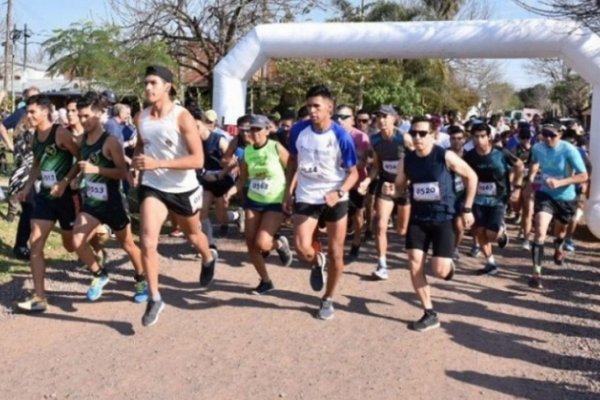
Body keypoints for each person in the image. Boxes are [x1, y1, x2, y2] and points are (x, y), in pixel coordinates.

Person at [132, 65, 217, 326]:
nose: (148, 88)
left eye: (153, 83)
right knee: (147, 241)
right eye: (146, 83)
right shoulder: (141, 117)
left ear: (167, 86)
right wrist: (137, 167)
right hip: (153, 186)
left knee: (193, 235)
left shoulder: (182, 117)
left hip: (182, 188)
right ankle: (155, 297)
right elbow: (141, 144)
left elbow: (198, 159)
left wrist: (158, 164)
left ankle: (208, 256)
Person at [395, 116, 477, 332]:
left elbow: (471, 176)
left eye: (423, 133)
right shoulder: (408, 160)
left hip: (443, 217)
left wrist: (467, 208)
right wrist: (392, 190)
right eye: (414, 133)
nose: (418, 137)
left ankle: (448, 265)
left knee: (439, 270)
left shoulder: (444, 155)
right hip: (418, 218)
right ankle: (429, 313)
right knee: (414, 262)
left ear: (432, 135)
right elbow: (399, 186)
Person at [284, 84, 358, 320]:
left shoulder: (341, 136)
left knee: (337, 252)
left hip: (334, 196)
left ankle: (328, 299)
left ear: (329, 107)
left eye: (317, 106)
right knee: (301, 247)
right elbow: (293, 162)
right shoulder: (297, 130)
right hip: (307, 194)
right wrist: (288, 190)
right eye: (309, 106)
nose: (312, 111)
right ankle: (317, 261)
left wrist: (339, 192)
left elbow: (354, 173)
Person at [72, 92, 147, 303]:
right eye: (80, 116)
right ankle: (99, 274)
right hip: (93, 203)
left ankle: (141, 279)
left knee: (128, 245)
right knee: (78, 241)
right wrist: (77, 177)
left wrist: (96, 169)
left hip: (113, 202)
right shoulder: (83, 141)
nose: (83, 120)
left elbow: (122, 173)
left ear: (98, 115)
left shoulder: (111, 141)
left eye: (86, 116)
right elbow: (82, 164)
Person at [16, 95, 80, 312]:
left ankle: (95, 249)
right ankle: (40, 297)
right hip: (45, 195)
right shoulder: (35, 137)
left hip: (65, 196)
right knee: (35, 242)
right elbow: (36, 164)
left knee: (71, 246)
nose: (29, 116)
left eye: (33, 112)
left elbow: (80, 159)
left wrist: (65, 182)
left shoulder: (60, 133)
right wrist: (26, 188)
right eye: (28, 112)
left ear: (45, 112)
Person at [527, 125, 588, 289]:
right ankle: (536, 273)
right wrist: (532, 178)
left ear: (560, 134)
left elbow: (584, 175)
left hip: (566, 198)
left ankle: (558, 246)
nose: (548, 138)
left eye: (552, 135)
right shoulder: (537, 147)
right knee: (540, 230)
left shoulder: (569, 150)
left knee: (561, 230)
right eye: (545, 134)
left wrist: (560, 182)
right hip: (545, 195)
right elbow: (534, 162)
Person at [238, 114, 293, 294]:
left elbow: (292, 169)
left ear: (267, 131)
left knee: (262, 243)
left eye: (258, 129)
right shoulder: (247, 151)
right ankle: (265, 281)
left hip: (275, 200)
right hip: (254, 199)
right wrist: (238, 192)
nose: (254, 133)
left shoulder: (275, 147)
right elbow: (244, 176)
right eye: (251, 129)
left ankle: (279, 244)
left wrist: (289, 195)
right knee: (250, 242)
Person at [358, 105, 412, 280]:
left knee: (401, 230)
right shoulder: (375, 140)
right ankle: (382, 265)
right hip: (386, 185)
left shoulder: (404, 139)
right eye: (379, 117)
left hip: (405, 187)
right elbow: (376, 166)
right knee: (380, 224)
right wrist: (366, 181)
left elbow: (417, 164)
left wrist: (404, 184)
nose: (381, 120)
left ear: (394, 118)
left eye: (385, 116)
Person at [464, 122, 524, 276]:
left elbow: (519, 165)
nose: (479, 140)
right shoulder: (469, 156)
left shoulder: (501, 153)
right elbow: (464, 173)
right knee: (479, 230)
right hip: (478, 198)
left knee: (491, 234)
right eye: (475, 136)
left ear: (489, 137)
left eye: (482, 136)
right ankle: (490, 263)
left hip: (499, 197)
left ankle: (501, 233)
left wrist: (517, 187)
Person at [333, 105, 370, 259]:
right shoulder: (330, 134)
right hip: (336, 182)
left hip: (356, 182)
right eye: (337, 117)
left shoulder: (360, 137)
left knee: (357, 215)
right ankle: (337, 247)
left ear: (353, 120)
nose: (340, 121)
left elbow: (361, 163)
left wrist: (344, 163)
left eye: (344, 117)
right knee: (337, 216)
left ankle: (356, 243)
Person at [447, 125, 467, 260]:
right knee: (446, 226)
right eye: (453, 138)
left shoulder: (470, 156)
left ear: (464, 139)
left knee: (459, 226)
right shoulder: (444, 154)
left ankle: (454, 248)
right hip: (446, 195)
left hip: (462, 195)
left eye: (459, 138)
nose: (456, 141)